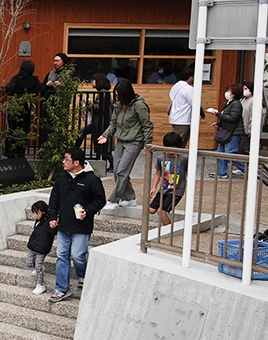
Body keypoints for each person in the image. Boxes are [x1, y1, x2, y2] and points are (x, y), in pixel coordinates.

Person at [46, 148, 106, 302]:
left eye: (66, 159)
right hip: (63, 225)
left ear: (76, 162)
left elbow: (100, 200)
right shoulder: (61, 178)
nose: (63, 162)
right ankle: (61, 289)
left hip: (81, 226)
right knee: (62, 256)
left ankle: (83, 275)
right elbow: (54, 200)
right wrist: (52, 217)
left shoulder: (92, 180)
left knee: (78, 256)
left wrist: (88, 211)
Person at [98, 78, 154, 210]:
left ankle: (113, 200)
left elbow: (147, 125)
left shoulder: (139, 105)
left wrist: (147, 144)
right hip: (121, 140)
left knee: (122, 171)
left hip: (135, 141)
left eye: (119, 95)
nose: (117, 97)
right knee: (117, 171)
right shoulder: (119, 105)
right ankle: (130, 198)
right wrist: (105, 135)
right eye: (116, 94)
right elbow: (113, 122)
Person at [4, 60, 46, 158]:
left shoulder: (16, 78)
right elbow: (42, 88)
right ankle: (20, 153)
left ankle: (10, 153)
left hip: (14, 106)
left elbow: (9, 88)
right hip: (25, 107)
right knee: (24, 130)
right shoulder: (33, 80)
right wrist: (32, 92)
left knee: (12, 129)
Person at [148, 131, 188, 228]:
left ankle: (169, 230)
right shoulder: (161, 158)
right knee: (151, 210)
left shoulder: (183, 158)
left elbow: (188, 173)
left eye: (173, 147)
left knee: (161, 212)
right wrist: (154, 187)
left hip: (176, 191)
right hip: (164, 188)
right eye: (168, 147)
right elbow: (158, 173)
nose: (170, 150)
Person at [206, 84, 246, 178]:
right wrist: (219, 123)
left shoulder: (235, 104)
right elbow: (229, 118)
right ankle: (221, 172)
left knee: (230, 154)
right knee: (221, 152)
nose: (227, 93)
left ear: (233, 94)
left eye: (229, 91)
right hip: (228, 131)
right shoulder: (229, 103)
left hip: (233, 132)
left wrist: (218, 114)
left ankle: (249, 170)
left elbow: (233, 118)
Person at [77, 73, 114, 168]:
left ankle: (75, 150)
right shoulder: (103, 93)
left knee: (84, 133)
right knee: (104, 146)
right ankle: (111, 163)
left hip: (101, 123)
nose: (92, 82)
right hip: (100, 122)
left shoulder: (103, 94)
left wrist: (88, 104)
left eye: (93, 80)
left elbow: (99, 108)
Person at [25, 199, 56, 296]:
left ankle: (40, 285)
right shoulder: (38, 221)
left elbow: (52, 233)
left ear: (40, 212)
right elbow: (35, 232)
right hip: (33, 246)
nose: (34, 215)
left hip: (42, 249)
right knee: (29, 263)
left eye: (35, 213)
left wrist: (54, 227)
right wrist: (30, 240)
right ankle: (40, 267)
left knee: (38, 267)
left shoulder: (50, 222)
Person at [168, 68, 202, 146]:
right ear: (190, 77)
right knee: (177, 142)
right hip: (182, 118)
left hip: (175, 115)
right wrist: (201, 112)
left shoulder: (175, 86)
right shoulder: (188, 88)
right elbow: (194, 102)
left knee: (184, 138)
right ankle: (174, 153)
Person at [238, 80, 256, 155]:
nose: (244, 91)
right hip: (240, 129)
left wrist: (250, 130)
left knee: (243, 150)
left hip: (246, 131)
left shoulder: (253, 101)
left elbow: (253, 117)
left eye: (246, 89)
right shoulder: (242, 100)